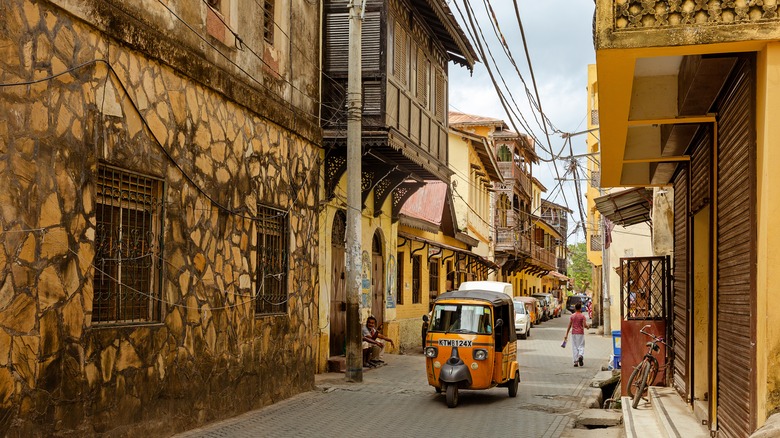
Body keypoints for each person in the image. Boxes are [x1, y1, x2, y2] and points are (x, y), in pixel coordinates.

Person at [563, 302, 590, 367]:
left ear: (575, 308)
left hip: (573, 333)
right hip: (580, 333)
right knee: (581, 346)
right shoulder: (582, 316)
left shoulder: (572, 316)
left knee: (574, 347)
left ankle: (575, 362)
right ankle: (580, 355)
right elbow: (584, 325)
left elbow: (569, 325)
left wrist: (566, 334)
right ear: (580, 308)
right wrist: (588, 327)